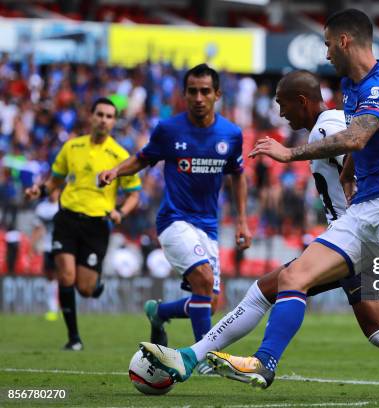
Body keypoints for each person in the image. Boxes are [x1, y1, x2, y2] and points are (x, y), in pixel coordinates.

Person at [139, 70, 379, 401]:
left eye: (283, 104)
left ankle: (199, 357)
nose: (281, 114)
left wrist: (355, 202)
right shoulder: (334, 123)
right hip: (355, 238)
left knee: (270, 287)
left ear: (303, 100)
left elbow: (358, 160)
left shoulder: (325, 128)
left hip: (353, 240)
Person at [99, 64, 251, 346]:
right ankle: (204, 355)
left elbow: (238, 176)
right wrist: (116, 171)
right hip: (174, 220)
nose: (198, 97)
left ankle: (159, 312)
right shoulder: (169, 130)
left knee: (209, 302)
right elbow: (143, 158)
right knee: (204, 280)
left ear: (217, 94)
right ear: (184, 94)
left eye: (205, 91)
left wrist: (242, 220)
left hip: (208, 226)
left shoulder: (231, 134)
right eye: (192, 91)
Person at [24, 97, 141, 350]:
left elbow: (134, 194)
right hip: (66, 218)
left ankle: (93, 286)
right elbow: (54, 181)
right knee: (65, 275)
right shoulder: (72, 147)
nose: (103, 119)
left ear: (114, 121)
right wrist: (39, 191)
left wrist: (120, 212)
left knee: (85, 289)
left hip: (96, 225)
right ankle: (74, 338)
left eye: (109, 116)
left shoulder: (120, 155)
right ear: (91, 116)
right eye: (100, 114)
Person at [30, 189, 60, 321]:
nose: (53, 193)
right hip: (48, 246)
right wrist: (32, 246)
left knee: (66, 276)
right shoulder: (42, 208)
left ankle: (66, 306)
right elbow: (38, 228)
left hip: (63, 246)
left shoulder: (64, 205)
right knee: (50, 277)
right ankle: (52, 308)